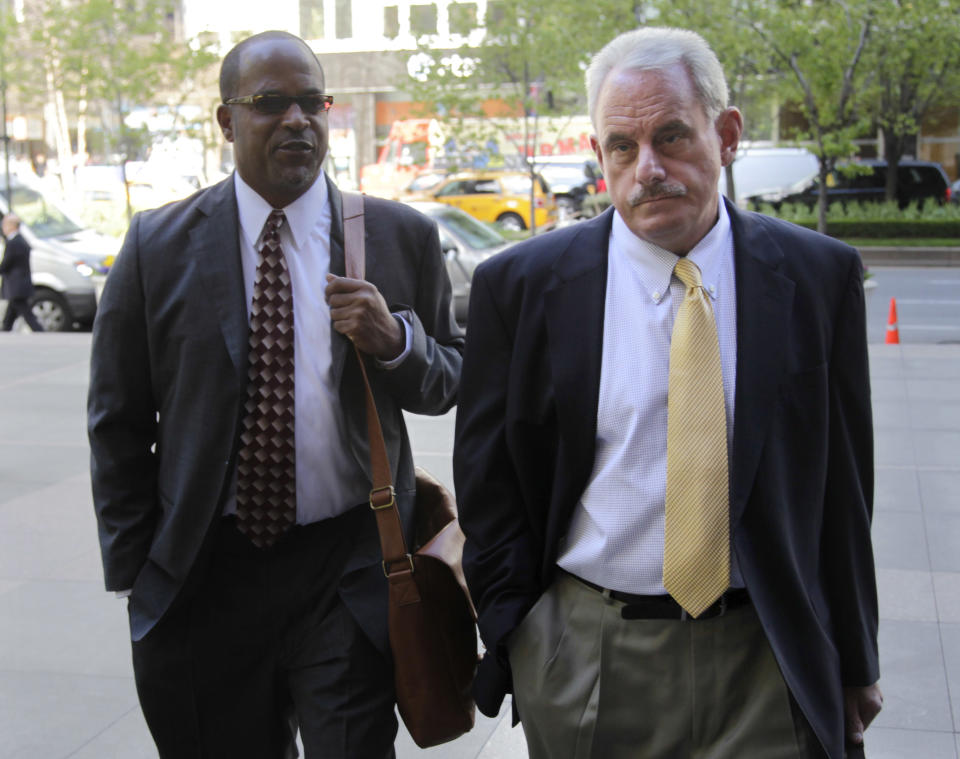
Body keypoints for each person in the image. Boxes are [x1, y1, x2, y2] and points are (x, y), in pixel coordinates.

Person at [454, 26, 881, 759]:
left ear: (728, 134)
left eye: (672, 136)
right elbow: (490, 488)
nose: (648, 168)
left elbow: (842, 489)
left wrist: (856, 654)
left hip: (767, 653)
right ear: (600, 157)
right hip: (590, 659)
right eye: (623, 145)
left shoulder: (818, 279)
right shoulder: (520, 288)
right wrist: (522, 637)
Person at [88, 30, 463, 759]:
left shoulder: (397, 235)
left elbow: (451, 377)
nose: (298, 120)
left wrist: (397, 343)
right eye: (270, 103)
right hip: (207, 574)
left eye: (312, 102)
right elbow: (119, 420)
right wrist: (138, 571)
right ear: (227, 121)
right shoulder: (156, 247)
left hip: (349, 567)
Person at [1, 213, 44, 332]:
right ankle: (5, 330)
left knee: (27, 315)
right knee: (10, 317)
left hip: (17, 286)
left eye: (4, 224)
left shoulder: (14, 242)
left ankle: (40, 333)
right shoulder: (19, 240)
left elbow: (6, 264)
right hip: (18, 285)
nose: (3, 227)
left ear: (12, 226)